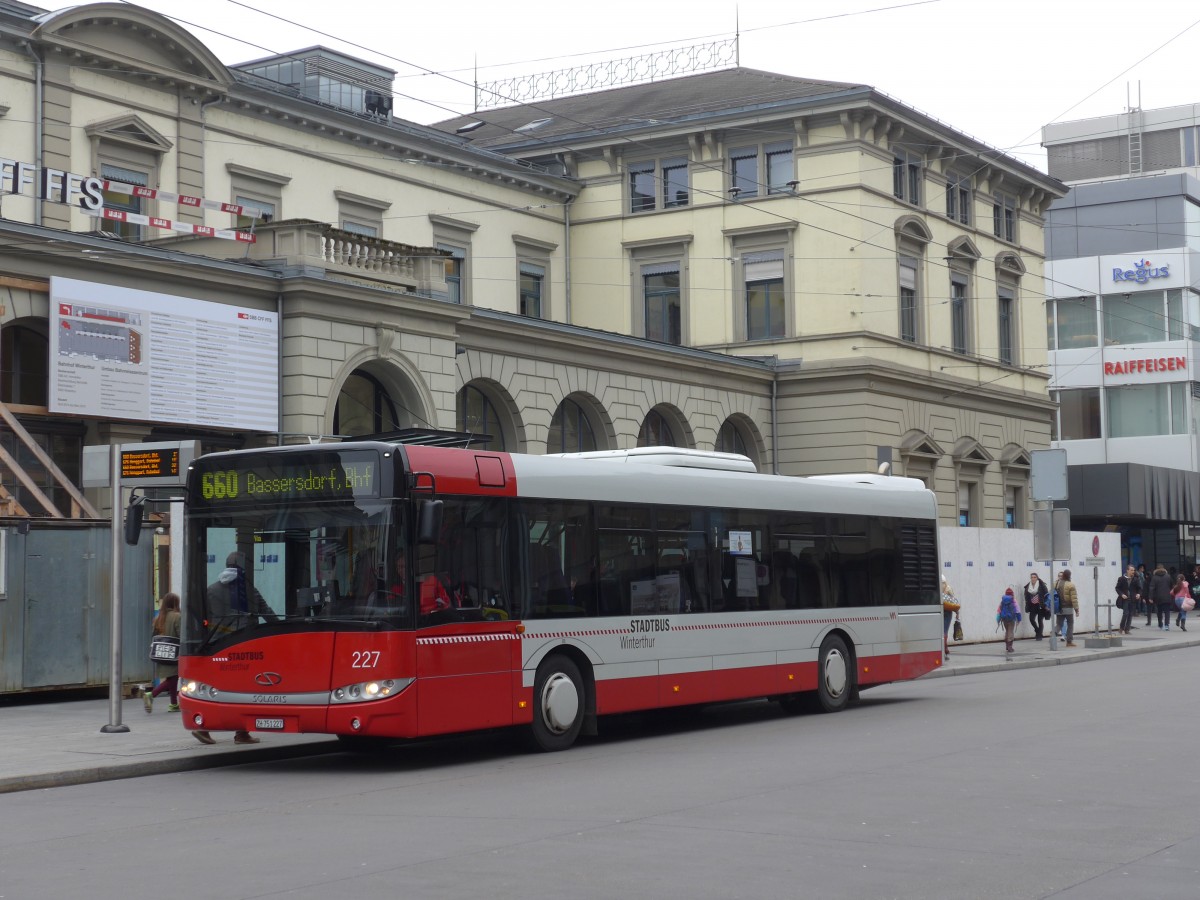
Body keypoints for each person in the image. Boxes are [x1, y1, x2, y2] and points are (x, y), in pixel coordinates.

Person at [193, 551, 276, 746]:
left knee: (216, 688)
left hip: (218, 647)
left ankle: (202, 726)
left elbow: (202, 616)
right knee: (244, 689)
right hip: (243, 647)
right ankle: (241, 733)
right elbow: (267, 613)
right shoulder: (247, 590)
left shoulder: (211, 589)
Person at [204, 551, 280, 629]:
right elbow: (269, 616)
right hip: (244, 639)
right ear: (245, 567)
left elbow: (204, 619)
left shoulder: (211, 590)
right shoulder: (250, 591)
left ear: (226, 565)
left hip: (217, 640)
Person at [144, 592, 181, 713]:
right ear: (175, 603)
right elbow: (181, 634)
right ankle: (151, 694)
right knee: (173, 677)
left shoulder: (158, 618)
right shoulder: (177, 616)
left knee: (172, 677)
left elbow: (153, 635)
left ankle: (173, 704)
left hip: (161, 653)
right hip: (174, 652)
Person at [1054, 570, 1079, 647]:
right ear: (1069, 575)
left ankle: (1053, 634)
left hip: (1058, 607)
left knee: (1059, 624)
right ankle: (1069, 642)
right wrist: (1076, 610)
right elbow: (1074, 599)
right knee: (1070, 623)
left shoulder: (1056, 584)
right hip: (1068, 607)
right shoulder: (1070, 585)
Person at [1022, 572, 1049, 640]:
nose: (1033, 579)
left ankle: (1039, 636)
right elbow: (1026, 596)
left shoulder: (1042, 585)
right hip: (1032, 605)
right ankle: (1037, 631)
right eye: (1032, 577)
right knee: (1031, 619)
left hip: (1041, 605)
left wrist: (1045, 605)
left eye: (1034, 577)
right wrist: (1027, 605)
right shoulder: (1028, 586)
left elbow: (1046, 595)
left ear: (1037, 578)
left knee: (1040, 620)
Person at [996, 587, 1021, 653]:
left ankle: (1007, 645)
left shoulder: (1002, 601)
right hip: (1012, 619)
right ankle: (1010, 647)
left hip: (1004, 619)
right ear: (1012, 594)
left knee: (1007, 631)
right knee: (1010, 631)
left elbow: (999, 611)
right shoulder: (1013, 601)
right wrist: (1019, 619)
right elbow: (1017, 611)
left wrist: (998, 620)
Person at [1149, 563, 1173, 631]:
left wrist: (1150, 597)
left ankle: (1160, 624)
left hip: (1158, 597)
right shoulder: (1168, 576)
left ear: (1156, 569)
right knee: (1167, 611)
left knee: (1159, 611)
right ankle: (1166, 625)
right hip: (1167, 596)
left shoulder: (1154, 577)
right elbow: (1172, 585)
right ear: (1163, 568)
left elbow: (1151, 588)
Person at [941, 576, 960, 656]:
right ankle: (945, 649)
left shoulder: (938, 589)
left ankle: (944, 648)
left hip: (940, 611)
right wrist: (957, 613)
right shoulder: (948, 588)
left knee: (941, 631)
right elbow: (953, 601)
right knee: (945, 631)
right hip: (948, 612)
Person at [1116, 565, 1136, 635]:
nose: (1133, 572)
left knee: (1130, 614)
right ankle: (1121, 628)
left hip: (1132, 599)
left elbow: (1139, 588)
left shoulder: (1135, 579)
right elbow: (1117, 588)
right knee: (1126, 613)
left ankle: (1127, 629)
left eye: (1133, 570)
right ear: (1127, 570)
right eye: (1131, 570)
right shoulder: (1121, 579)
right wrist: (1122, 594)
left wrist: (1138, 594)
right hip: (1125, 599)